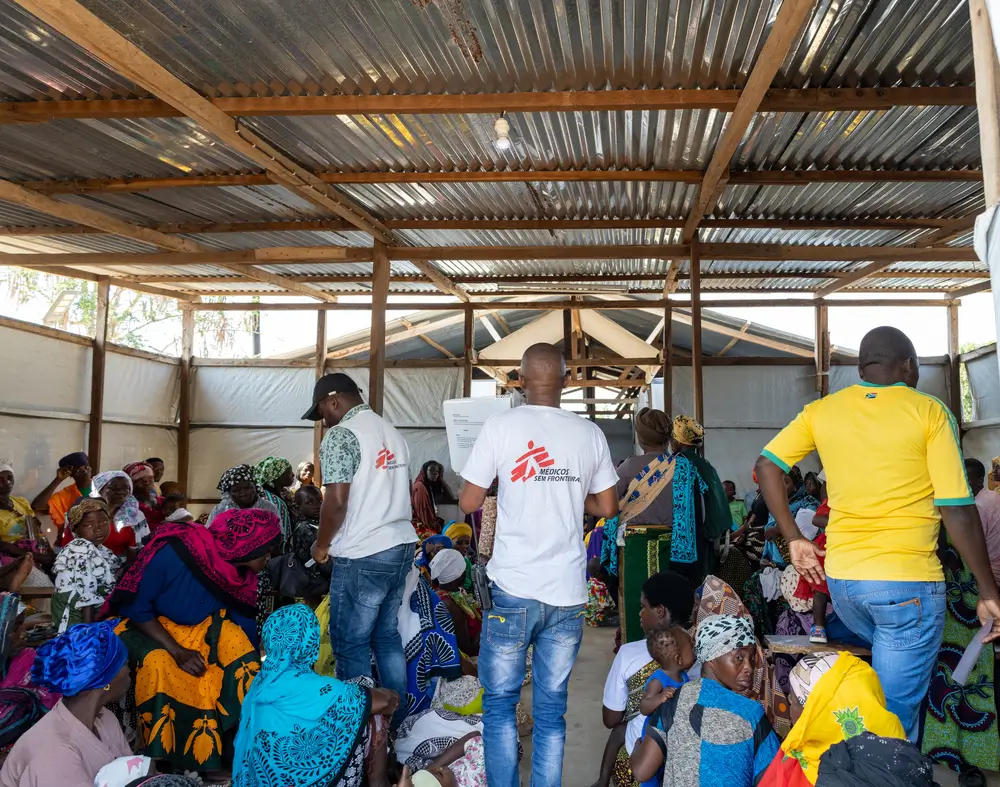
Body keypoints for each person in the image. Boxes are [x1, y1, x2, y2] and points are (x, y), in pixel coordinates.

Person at [757, 325, 1000, 741]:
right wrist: (988, 590)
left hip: (846, 584)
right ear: (908, 365)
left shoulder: (823, 410)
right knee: (894, 720)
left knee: (881, 694)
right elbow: (957, 509)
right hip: (906, 584)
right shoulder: (929, 411)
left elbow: (766, 466)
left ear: (861, 367)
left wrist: (793, 539)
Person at [458, 343, 619, 787]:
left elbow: (469, 500)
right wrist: (569, 492)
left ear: (520, 381)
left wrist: (507, 484)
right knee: (552, 710)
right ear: (567, 382)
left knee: (500, 705)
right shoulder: (589, 433)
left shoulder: (500, 426)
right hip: (566, 593)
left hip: (512, 588)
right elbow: (608, 504)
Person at [106, 508, 281, 773]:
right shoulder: (175, 551)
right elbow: (137, 607)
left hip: (200, 627)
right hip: (148, 626)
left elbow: (244, 625)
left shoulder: (241, 574)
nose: (269, 558)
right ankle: (165, 758)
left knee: (244, 660)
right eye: (265, 551)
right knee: (160, 664)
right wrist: (178, 651)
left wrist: (253, 662)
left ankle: (241, 744)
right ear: (246, 546)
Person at [303, 372, 416, 730]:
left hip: (364, 551)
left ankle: (359, 732)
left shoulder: (341, 435)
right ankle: (397, 724)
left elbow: (335, 501)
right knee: (386, 636)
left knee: (349, 643)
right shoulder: (391, 432)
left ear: (333, 400)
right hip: (400, 545)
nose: (323, 421)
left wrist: (321, 545)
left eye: (322, 412)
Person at [232, 604, 398, 787]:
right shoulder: (314, 688)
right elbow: (386, 702)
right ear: (309, 641)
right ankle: (379, 782)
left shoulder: (259, 684)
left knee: (358, 702)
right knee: (369, 713)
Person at [629, 615, 780, 787]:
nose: (749, 668)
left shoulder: (674, 701)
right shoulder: (751, 713)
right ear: (712, 657)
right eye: (739, 658)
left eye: (751, 658)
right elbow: (774, 779)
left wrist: (636, 750)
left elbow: (641, 771)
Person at [0, 621, 132, 787]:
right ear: (105, 680)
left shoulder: (105, 718)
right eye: (124, 664)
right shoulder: (55, 752)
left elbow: (130, 772)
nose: (129, 670)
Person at [597, 572, 695, 787]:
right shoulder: (700, 656)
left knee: (624, 742)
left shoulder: (629, 653)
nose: (640, 613)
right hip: (687, 766)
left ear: (660, 611)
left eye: (644, 606)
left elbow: (611, 719)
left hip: (641, 763)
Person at [758, 653, 905, 787]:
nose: (789, 706)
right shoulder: (899, 751)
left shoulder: (805, 763)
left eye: (794, 701)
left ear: (816, 713)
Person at [52, 499, 119, 632]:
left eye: (103, 522)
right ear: (76, 529)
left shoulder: (97, 548)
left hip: (85, 607)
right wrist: (89, 633)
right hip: (75, 610)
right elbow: (86, 595)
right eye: (88, 525)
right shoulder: (80, 551)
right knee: (79, 644)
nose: (98, 529)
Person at [671, 415, 733, 553]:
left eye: (673, 437)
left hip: (691, 536)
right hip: (711, 536)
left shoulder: (678, 464)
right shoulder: (706, 465)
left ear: (679, 440)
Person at [0, 459, 53, 572]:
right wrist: (38, 557)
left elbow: (37, 531)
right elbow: (2, 546)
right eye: (0, 479)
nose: (7, 482)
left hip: (33, 552)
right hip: (11, 559)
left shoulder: (21, 503)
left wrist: (50, 554)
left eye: (10, 477)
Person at [30, 451, 91, 544]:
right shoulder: (64, 495)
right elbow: (37, 506)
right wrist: (57, 480)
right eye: (78, 468)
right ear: (70, 473)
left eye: (86, 466)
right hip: (73, 543)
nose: (84, 470)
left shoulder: (104, 487)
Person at [429, 549, 481, 658]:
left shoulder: (441, 594)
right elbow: (468, 650)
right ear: (461, 575)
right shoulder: (449, 605)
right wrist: (487, 622)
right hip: (466, 660)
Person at [637, 626, 695, 718]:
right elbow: (643, 707)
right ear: (679, 659)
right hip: (658, 729)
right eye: (691, 647)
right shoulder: (658, 681)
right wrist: (660, 697)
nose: (694, 650)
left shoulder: (682, 675)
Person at [90, 471, 149, 556]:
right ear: (99, 489)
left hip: (122, 565)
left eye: (125, 488)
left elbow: (143, 547)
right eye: (114, 488)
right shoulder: (85, 513)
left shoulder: (135, 515)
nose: (120, 492)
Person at [290, 486, 332, 605]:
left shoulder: (318, 523)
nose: (317, 505)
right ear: (298, 507)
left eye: (319, 501)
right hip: (315, 583)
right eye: (309, 502)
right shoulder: (306, 528)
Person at [207, 465, 280, 527]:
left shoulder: (269, 508)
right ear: (229, 494)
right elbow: (208, 536)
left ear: (256, 487)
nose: (243, 493)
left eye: (247, 488)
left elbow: (280, 535)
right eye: (236, 490)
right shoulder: (220, 510)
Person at [967, 457, 1000, 583]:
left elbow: (973, 548)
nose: (961, 484)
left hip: (992, 575)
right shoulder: (994, 495)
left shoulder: (978, 507)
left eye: (966, 479)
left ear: (980, 480)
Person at [254, 456, 296, 547]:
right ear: (277, 476)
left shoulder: (277, 493)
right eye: (289, 472)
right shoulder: (273, 500)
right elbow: (283, 532)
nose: (293, 475)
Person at [411, 461, 457, 537]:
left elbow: (450, 497)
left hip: (427, 523)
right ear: (425, 471)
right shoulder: (420, 487)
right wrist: (436, 529)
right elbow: (424, 517)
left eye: (437, 472)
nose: (435, 473)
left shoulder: (429, 487)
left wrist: (441, 479)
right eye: (431, 470)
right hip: (418, 527)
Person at [124, 462, 161, 531]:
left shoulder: (158, 500)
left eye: (150, 478)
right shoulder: (128, 505)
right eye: (140, 479)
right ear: (132, 483)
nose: (146, 482)